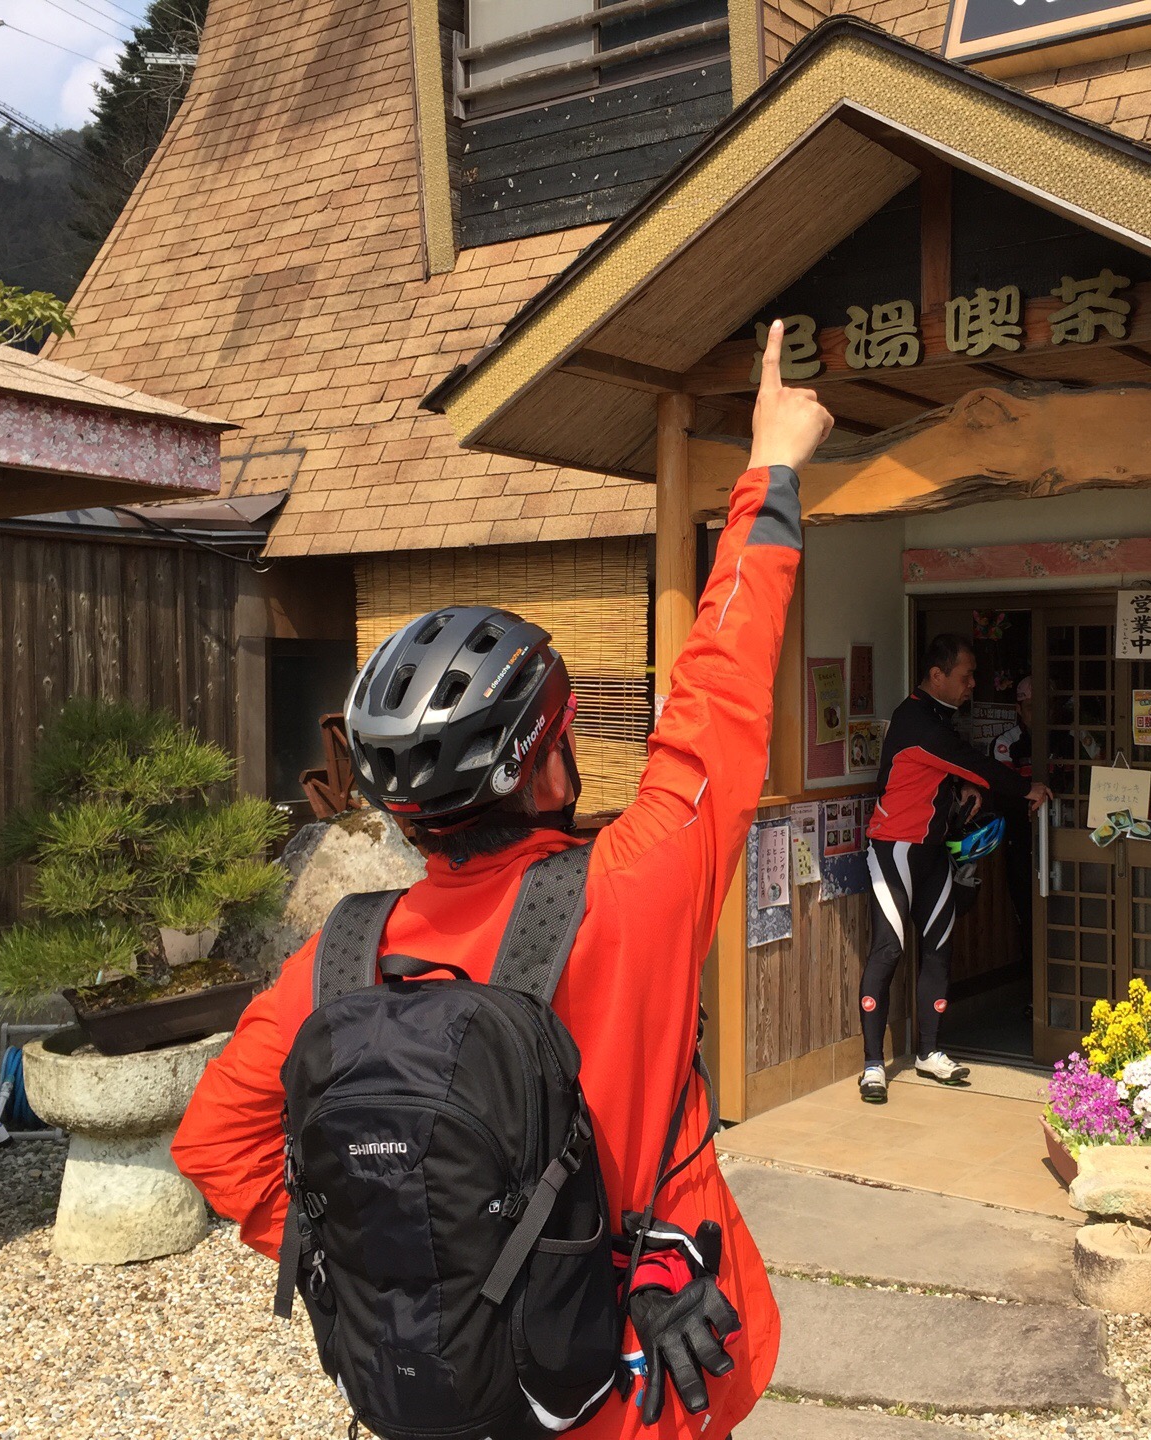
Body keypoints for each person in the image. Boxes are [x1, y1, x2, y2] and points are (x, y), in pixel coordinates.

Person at [168, 320, 832, 1439]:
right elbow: (720, 695)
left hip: (452, 1393)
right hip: (643, 1384)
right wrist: (770, 467)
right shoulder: (636, 886)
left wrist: (398, 1269)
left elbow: (214, 1146)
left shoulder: (338, 959)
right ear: (548, 765)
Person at [856, 635, 1048, 1103]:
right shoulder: (916, 719)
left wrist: (961, 791)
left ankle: (929, 1052)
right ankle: (873, 1065)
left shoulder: (939, 717)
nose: (972, 684)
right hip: (893, 850)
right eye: (966, 676)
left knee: (939, 949)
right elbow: (972, 763)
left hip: (933, 851)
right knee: (888, 951)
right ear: (937, 675)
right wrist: (1026, 788)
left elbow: (944, 772)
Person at [988, 676, 1035, 956]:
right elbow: (1005, 791)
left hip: (1065, 834)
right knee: (1027, 907)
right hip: (1022, 837)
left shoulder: (1070, 735)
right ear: (1018, 708)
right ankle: (1033, 976)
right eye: (1030, 707)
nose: (1039, 713)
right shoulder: (1006, 743)